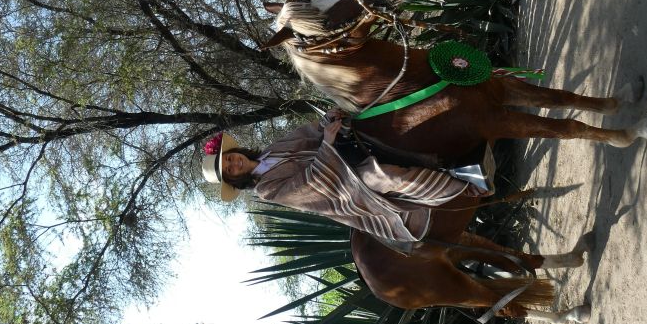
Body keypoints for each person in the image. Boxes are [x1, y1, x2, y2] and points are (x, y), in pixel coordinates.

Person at [199, 110, 491, 249]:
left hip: (339, 156)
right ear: (235, 180)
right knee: (378, 176)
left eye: (230, 158)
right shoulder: (266, 190)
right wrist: (326, 144)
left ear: (234, 151)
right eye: (232, 170)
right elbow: (309, 186)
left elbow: (304, 133)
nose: (235, 163)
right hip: (342, 190)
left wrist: (326, 122)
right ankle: (465, 186)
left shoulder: (271, 150)